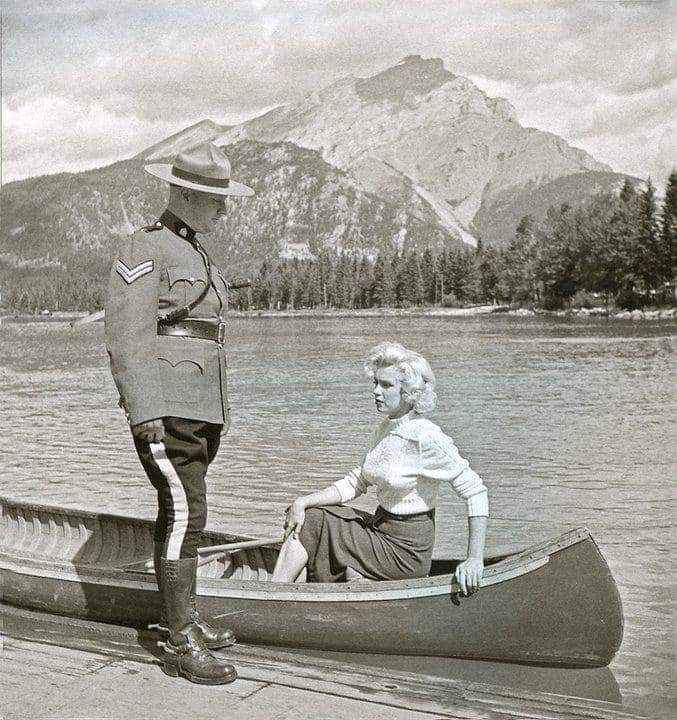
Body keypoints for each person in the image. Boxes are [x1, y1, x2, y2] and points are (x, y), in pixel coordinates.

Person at [105, 142, 253, 685]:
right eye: (217, 199)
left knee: (182, 514)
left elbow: (208, 339)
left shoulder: (197, 254)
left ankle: (183, 618)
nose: (224, 209)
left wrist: (219, 411)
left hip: (196, 408)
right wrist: (143, 410)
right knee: (186, 513)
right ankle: (180, 638)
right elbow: (127, 336)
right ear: (187, 194)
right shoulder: (146, 247)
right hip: (165, 408)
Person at [271, 341, 489, 595]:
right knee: (311, 512)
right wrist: (302, 501)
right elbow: (357, 482)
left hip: (405, 551)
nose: (376, 391)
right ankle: (283, 594)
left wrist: (474, 558)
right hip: (381, 530)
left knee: (313, 522)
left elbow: (476, 492)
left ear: (409, 392)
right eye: (375, 383)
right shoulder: (385, 428)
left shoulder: (426, 437)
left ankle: (270, 597)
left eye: (386, 385)